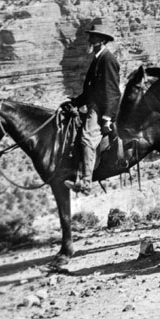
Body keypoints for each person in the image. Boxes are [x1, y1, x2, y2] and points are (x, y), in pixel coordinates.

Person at [64, 27, 120, 194]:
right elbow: (91, 90)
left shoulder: (107, 59)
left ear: (102, 40)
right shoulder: (97, 58)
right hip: (93, 105)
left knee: (87, 138)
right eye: (90, 37)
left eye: (93, 38)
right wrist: (75, 102)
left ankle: (86, 182)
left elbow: (113, 92)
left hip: (101, 108)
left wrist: (107, 117)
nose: (90, 41)